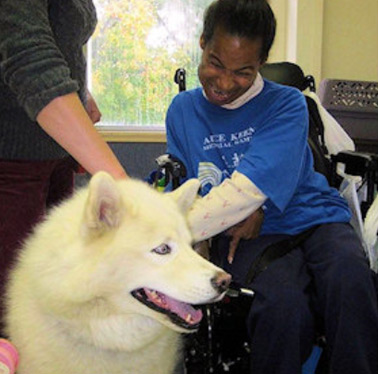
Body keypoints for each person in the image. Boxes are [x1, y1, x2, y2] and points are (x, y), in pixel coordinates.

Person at [164, 0, 378, 373]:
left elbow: (246, 191)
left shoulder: (288, 104)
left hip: (314, 216)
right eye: (215, 63)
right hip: (248, 234)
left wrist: (167, 232)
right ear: (202, 42)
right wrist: (195, 246)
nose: (225, 83)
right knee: (283, 306)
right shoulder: (182, 110)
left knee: (352, 284)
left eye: (243, 72)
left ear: (262, 62)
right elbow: (191, 191)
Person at [0, 0, 128, 336]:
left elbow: (60, 39)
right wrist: (121, 186)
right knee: (13, 315)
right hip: (9, 160)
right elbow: (28, 57)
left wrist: (79, 93)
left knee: (53, 297)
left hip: (50, 153)